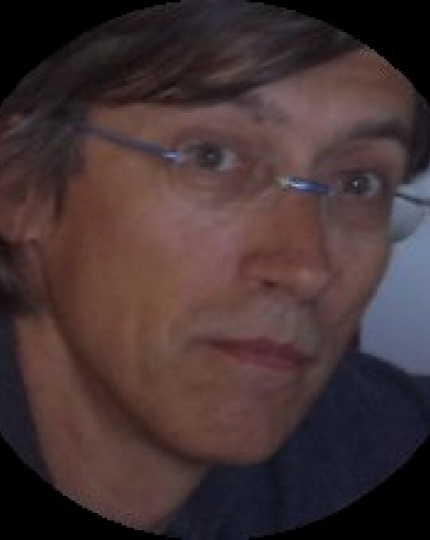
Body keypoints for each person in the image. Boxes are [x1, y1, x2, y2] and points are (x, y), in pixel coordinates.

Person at [0, 2, 429, 537]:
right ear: (21, 185)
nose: (305, 269)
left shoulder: (367, 445)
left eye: (359, 183)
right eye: (212, 157)